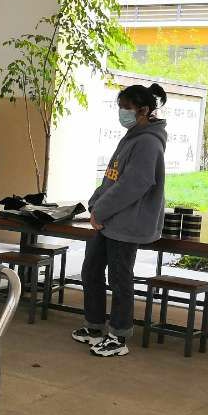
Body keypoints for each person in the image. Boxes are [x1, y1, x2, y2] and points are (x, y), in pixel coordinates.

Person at [73, 82, 168, 358]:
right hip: (110, 219)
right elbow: (112, 177)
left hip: (128, 223)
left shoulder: (148, 142)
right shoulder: (131, 136)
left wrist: (101, 210)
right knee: (91, 270)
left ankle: (118, 335)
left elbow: (134, 184)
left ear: (144, 110)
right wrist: (95, 204)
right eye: (120, 107)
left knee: (119, 278)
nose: (121, 113)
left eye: (126, 108)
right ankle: (94, 326)